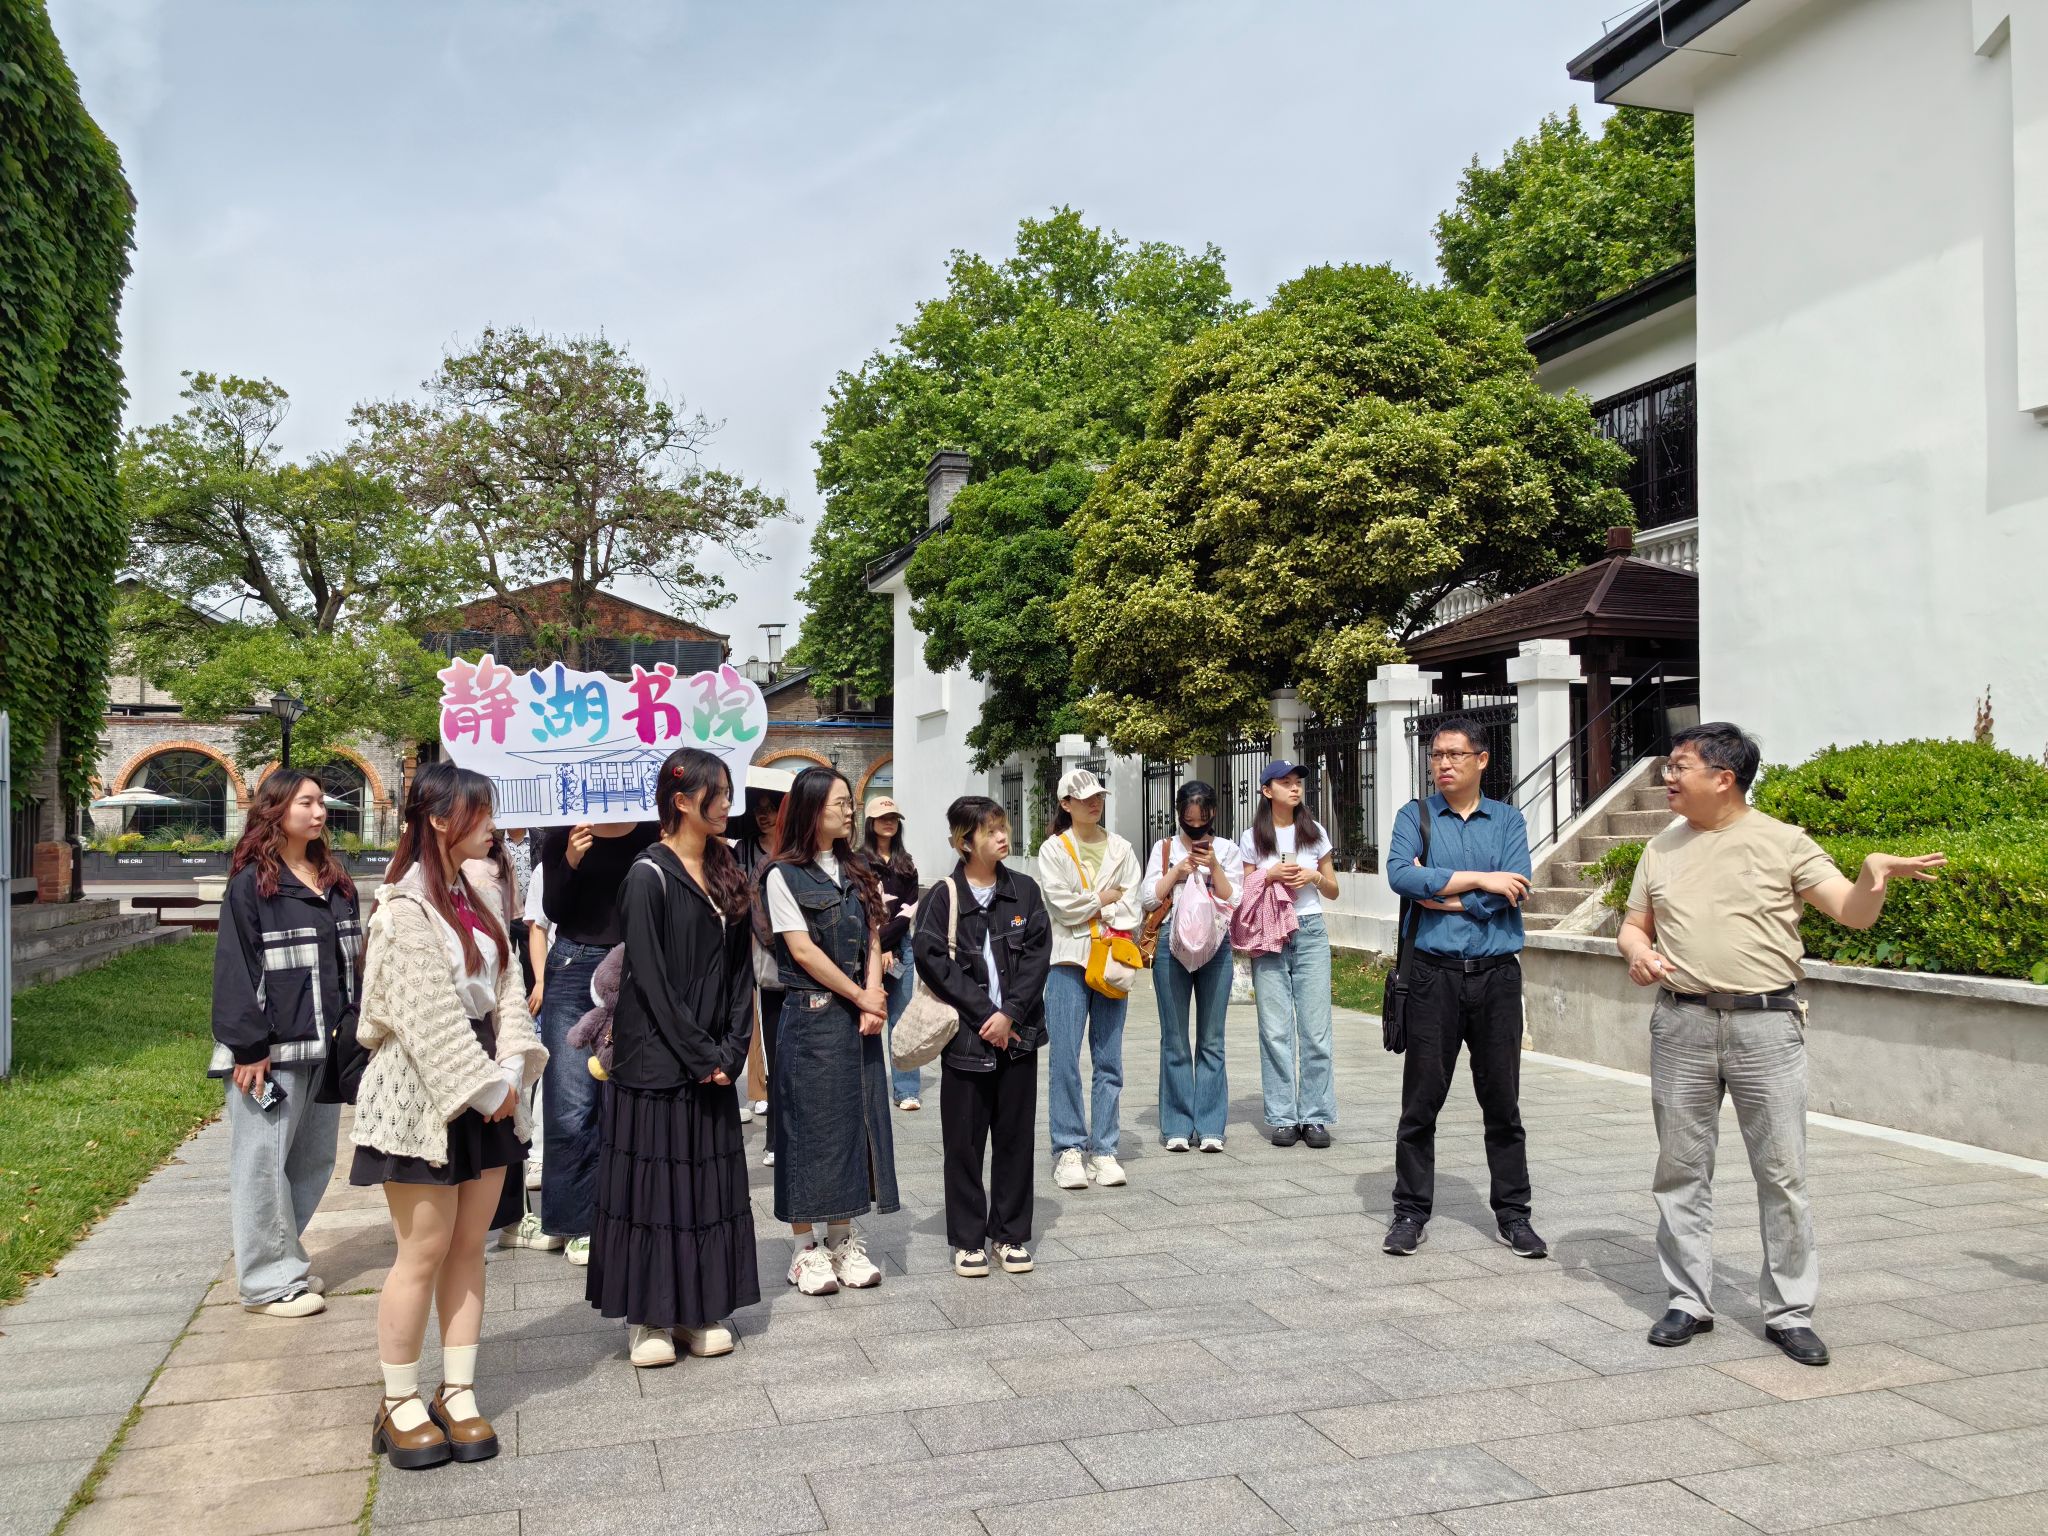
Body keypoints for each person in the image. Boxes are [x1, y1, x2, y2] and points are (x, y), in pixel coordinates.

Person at [1620, 722, 1945, 1368]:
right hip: (1681, 1022)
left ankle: (1790, 1312)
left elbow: (1851, 912)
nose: (1668, 779)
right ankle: (1688, 1300)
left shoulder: (1784, 843)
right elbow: (1634, 927)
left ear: (1724, 778)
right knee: (1681, 1168)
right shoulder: (1660, 848)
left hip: (1766, 1027)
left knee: (1783, 1172)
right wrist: (1638, 953)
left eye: (1680, 767)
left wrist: (1872, 876)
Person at [350, 763, 545, 1471]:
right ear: (438, 819)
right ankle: (398, 1399)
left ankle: (456, 1389)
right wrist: (492, 1088)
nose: (493, 826)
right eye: (480, 813)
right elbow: (427, 1021)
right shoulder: (401, 911)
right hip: (425, 1099)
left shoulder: (478, 896)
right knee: (422, 1251)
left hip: (490, 1086)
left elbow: (510, 987)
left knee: (468, 1248)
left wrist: (516, 1062)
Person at [589, 749, 760, 1369]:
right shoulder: (648, 874)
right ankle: (650, 1318)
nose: (727, 803)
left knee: (704, 1186)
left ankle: (700, 1309)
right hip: (657, 1062)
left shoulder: (728, 869)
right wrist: (699, 1054)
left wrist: (734, 1049)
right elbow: (652, 983)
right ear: (682, 800)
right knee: (655, 1189)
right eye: (717, 793)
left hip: (714, 1057)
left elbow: (742, 971)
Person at [1383, 717, 1543, 1260]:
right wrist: (1479, 879)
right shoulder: (1416, 815)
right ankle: (1410, 1211)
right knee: (1421, 1101)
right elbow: (1403, 877)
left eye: (1454, 754)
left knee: (1502, 1102)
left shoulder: (1508, 821)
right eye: (1435, 756)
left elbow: (1515, 886)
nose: (1443, 764)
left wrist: (1448, 895)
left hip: (1497, 977)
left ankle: (1514, 1215)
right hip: (1433, 976)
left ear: (1481, 760)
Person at [209, 769, 361, 1319]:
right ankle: (267, 1281)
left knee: (313, 1160)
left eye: (322, 802)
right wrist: (248, 1047)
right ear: (277, 810)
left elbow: (352, 967)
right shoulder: (253, 883)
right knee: (263, 1164)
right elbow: (234, 968)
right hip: (269, 1052)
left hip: (326, 1047)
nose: (319, 811)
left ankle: (283, 1257)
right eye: (307, 802)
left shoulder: (334, 882)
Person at [763, 767, 899, 1295]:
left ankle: (843, 1237)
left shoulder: (858, 869)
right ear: (811, 810)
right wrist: (859, 994)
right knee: (805, 1130)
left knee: (852, 1125)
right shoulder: (782, 875)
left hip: (855, 1015)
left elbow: (872, 936)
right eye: (841, 803)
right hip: (810, 1017)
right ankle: (805, 1250)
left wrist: (872, 996)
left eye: (851, 802)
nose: (850, 810)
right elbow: (800, 950)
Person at [913, 796, 1051, 1278]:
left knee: (1015, 1140)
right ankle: (969, 1240)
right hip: (967, 1042)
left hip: (1018, 1038)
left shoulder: (1025, 892)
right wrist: (984, 1013)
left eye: (1004, 826)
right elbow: (933, 962)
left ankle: (1010, 1235)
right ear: (963, 840)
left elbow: (1037, 956)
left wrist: (1010, 1015)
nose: (1002, 836)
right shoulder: (944, 897)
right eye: (991, 830)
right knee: (965, 1144)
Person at [534, 814, 659, 1264]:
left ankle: (618, 1212)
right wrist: (569, 858)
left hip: (635, 964)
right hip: (573, 966)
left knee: (624, 1100)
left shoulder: (651, 830)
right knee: (571, 1103)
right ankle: (572, 1221)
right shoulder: (563, 831)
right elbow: (553, 911)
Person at [1035, 767, 1144, 1190]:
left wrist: (1095, 907)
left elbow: (1131, 908)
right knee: (1064, 1056)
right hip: (1068, 961)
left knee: (1109, 1057)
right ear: (1065, 804)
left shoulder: (1122, 849)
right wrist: (1102, 898)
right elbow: (1061, 907)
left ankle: (1105, 1148)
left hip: (1113, 959)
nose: (1093, 803)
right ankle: (1067, 1148)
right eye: (1083, 799)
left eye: (1098, 796)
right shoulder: (1054, 849)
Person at [1239, 761, 1339, 1146]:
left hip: (1310, 929)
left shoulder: (1315, 835)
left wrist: (1312, 876)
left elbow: (1332, 889)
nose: (1295, 788)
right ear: (1267, 791)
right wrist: (1270, 875)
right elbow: (1244, 888)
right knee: (1275, 1029)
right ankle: (1283, 1116)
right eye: (1285, 783)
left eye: (1298, 783)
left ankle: (1315, 1116)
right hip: (1268, 934)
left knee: (1315, 1031)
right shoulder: (1253, 838)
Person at [1144, 780, 1241, 1153]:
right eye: (1188, 821)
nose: (1195, 828)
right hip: (1171, 945)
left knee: (1212, 1040)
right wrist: (1177, 871)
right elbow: (1147, 897)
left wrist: (1213, 866)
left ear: (1213, 814)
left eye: (1201, 821)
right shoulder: (1164, 847)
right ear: (1179, 815)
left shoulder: (1228, 850)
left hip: (1216, 946)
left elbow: (1236, 898)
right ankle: (1177, 1125)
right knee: (1174, 1039)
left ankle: (1212, 1125)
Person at [734, 767, 793, 1143]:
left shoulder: (797, 847)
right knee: (772, 1045)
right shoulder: (745, 848)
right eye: (758, 807)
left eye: (772, 807)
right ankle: (774, 1135)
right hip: (760, 955)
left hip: (801, 953)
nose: (764, 813)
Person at [864, 795, 924, 1110]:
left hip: (901, 945)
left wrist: (890, 946)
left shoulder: (906, 863)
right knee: (869, 1014)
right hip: (867, 945)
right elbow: (862, 908)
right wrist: (879, 947)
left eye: (894, 818)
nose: (889, 822)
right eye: (883, 817)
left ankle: (906, 1089)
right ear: (871, 823)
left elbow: (908, 909)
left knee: (902, 1018)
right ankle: (866, 1086)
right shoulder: (858, 861)